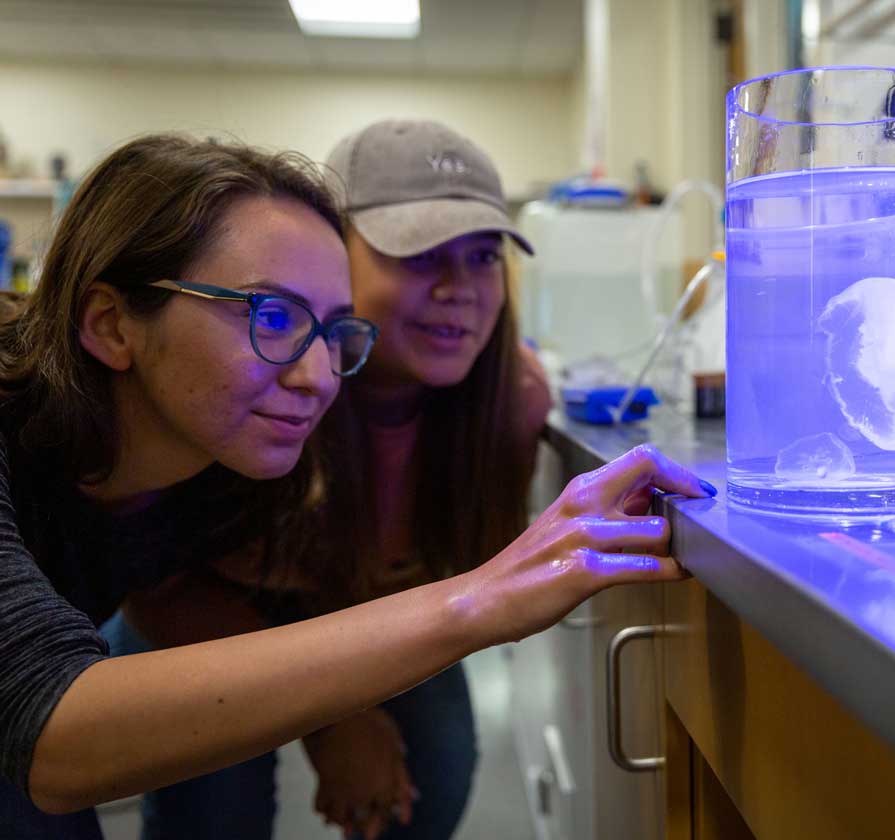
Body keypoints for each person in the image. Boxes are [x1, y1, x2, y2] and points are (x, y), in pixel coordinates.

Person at [0, 133, 712, 840]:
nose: (314, 378)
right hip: (168, 634)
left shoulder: (234, 428)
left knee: (438, 761)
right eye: (270, 315)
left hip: (324, 605)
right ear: (109, 323)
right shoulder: (219, 415)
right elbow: (53, 727)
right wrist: (480, 601)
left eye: (333, 330)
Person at [105, 119, 559, 840]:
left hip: (380, 600)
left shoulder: (511, 400)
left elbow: (459, 571)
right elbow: (156, 586)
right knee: (214, 806)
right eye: (419, 254)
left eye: (482, 256)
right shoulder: (245, 377)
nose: (460, 289)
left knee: (435, 771)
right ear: (330, 253)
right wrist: (334, 717)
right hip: (206, 606)